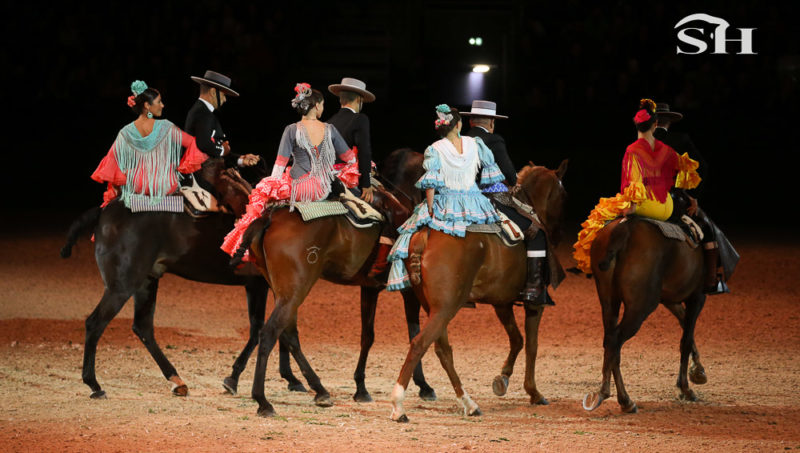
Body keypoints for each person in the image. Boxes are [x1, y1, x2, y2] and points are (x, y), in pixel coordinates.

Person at [573, 98, 727, 294]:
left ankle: (595, 262)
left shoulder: (638, 144)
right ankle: (712, 279)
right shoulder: (679, 140)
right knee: (705, 227)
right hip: (670, 200)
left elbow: (632, 179)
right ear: (667, 122)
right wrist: (692, 195)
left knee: (603, 218)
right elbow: (700, 168)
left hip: (640, 197)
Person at [221, 83, 359, 259]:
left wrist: (272, 187)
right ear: (316, 105)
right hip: (322, 190)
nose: (322, 108)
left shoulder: (291, 130)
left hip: (299, 189)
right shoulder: (330, 130)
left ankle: (244, 246)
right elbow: (351, 159)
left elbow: (279, 166)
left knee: (262, 193)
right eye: (322, 105)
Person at [385, 104, 504, 291]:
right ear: (458, 125)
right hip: (476, 202)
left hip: (447, 200)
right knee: (507, 230)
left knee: (411, 233)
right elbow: (490, 174)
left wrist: (431, 207)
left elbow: (431, 183)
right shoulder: (476, 144)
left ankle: (409, 267)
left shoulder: (434, 149)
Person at [462, 100, 554, 305]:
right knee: (536, 231)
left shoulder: (459, 139)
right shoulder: (493, 140)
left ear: (470, 121)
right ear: (492, 122)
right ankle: (533, 287)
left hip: (456, 199)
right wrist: (512, 183)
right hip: (484, 198)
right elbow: (509, 173)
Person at [92, 80, 207, 210]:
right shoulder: (166, 127)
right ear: (147, 105)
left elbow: (111, 162)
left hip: (136, 184)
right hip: (165, 184)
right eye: (159, 102)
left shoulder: (125, 132)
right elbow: (193, 143)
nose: (162, 105)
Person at [326, 77, 388, 277]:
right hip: (348, 176)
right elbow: (365, 151)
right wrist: (366, 184)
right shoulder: (360, 119)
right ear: (359, 100)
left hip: (328, 177)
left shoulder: (329, 121)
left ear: (340, 100)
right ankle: (379, 264)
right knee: (390, 209)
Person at [185, 70, 262, 180]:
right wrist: (222, 149)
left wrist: (241, 159)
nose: (225, 99)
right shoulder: (203, 113)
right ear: (212, 92)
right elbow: (204, 144)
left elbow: (211, 149)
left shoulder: (204, 112)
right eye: (223, 95)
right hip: (200, 176)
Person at [654, 103, 708, 197]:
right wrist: (692, 196)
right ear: (669, 122)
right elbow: (702, 166)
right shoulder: (681, 139)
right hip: (672, 196)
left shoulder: (640, 143)